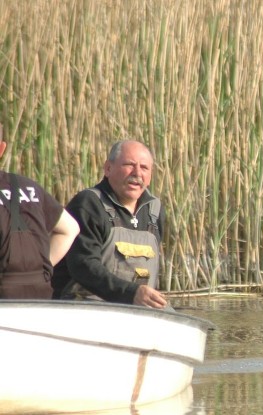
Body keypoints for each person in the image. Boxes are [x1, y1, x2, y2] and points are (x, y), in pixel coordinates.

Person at [52, 139, 169, 308]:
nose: (137, 173)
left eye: (144, 168)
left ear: (150, 176)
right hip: (83, 308)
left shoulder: (155, 210)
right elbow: (83, 266)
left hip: (139, 311)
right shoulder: (88, 204)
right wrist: (131, 293)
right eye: (129, 165)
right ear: (108, 168)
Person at [0, 124, 80, 299]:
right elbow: (71, 228)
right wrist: (43, 266)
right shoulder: (28, 186)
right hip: (39, 293)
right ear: (2, 149)